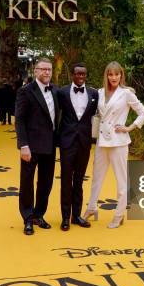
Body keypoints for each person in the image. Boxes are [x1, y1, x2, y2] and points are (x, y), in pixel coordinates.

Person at [83, 61, 144, 228]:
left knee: (121, 180)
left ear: (121, 75)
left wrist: (129, 127)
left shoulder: (126, 94)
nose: (114, 77)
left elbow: (143, 113)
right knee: (96, 178)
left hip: (118, 142)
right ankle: (91, 208)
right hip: (102, 141)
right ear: (106, 75)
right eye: (110, 74)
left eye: (117, 74)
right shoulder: (99, 92)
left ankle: (119, 214)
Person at [15, 58, 59, 235]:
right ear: (36, 71)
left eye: (49, 69)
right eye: (43, 69)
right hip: (31, 146)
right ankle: (28, 218)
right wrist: (23, 145)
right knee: (27, 183)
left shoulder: (56, 90)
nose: (46, 72)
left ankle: (39, 214)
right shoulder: (25, 91)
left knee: (46, 183)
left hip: (50, 145)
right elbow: (19, 120)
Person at [56, 63, 98, 231]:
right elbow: (54, 112)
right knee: (66, 180)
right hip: (67, 142)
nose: (81, 77)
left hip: (84, 143)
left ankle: (76, 216)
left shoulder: (93, 93)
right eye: (78, 74)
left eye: (84, 74)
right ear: (72, 75)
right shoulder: (62, 92)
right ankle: (65, 217)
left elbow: (98, 113)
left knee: (79, 180)